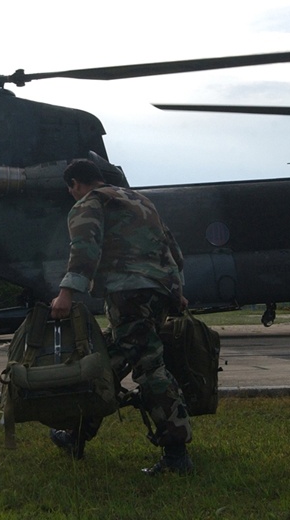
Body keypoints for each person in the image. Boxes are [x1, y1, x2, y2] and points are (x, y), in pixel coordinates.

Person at [48, 158, 193, 475]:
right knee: (117, 361)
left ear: (75, 184)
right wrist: (176, 290)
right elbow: (173, 250)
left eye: (71, 189)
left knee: (137, 367)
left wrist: (67, 292)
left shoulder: (90, 203)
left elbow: (85, 248)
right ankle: (77, 434)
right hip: (158, 292)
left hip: (127, 293)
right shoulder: (139, 200)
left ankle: (175, 455)